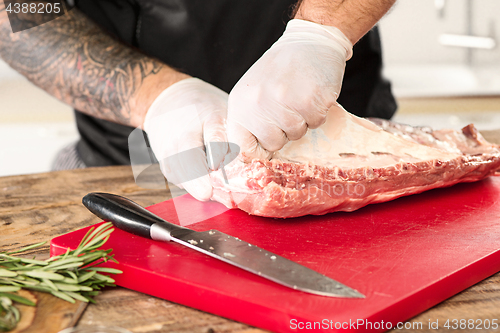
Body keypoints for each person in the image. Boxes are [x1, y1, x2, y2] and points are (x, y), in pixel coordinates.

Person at [0, 0, 397, 200]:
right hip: (126, 161)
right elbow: (20, 10)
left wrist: (322, 34)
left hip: (345, 147)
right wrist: (157, 97)